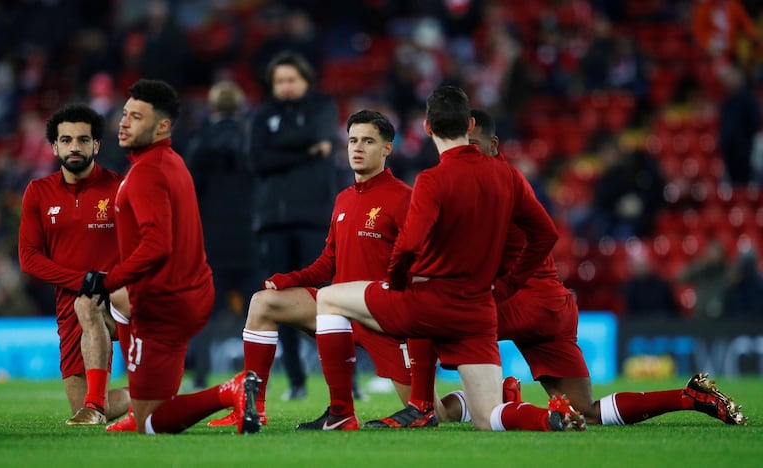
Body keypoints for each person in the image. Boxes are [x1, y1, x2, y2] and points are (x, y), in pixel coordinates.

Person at [432, 109, 747, 427]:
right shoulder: (509, 180)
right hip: (551, 305)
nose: (465, 152)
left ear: (494, 144)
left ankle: (428, 408)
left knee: (420, 320)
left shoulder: (485, 184)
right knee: (587, 411)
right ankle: (688, 396)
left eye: (472, 143)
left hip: (516, 301)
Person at [305, 86, 581, 432]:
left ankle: (343, 411)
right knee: (488, 417)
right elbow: (546, 235)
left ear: (427, 128)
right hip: (479, 310)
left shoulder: (432, 180)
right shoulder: (507, 175)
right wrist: (508, 284)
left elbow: (408, 247)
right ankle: (548, 417)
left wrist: (397, 283)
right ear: (470, 125)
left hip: (430, 306)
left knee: (330, 298)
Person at [208, 109, 414, 429]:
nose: (358, 148)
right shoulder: (344, 198)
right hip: (336, 312)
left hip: (380, 316)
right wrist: (289, 279)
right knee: (263, 302)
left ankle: (475, 399)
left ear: (387, 148)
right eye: (353, 140)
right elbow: (328, 263)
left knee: (432, 412)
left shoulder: (404, 198)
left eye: (368, 141)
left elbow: (416, 263)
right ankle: (252, 407)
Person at [76, 78, 260, 435]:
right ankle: (145, 398)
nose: (124, 122)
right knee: (115, 303)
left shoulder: (148, 173)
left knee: (150, 424)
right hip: (189, 292)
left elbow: (156, 245)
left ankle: (229, 390)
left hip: (163, 306)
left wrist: (108, 279)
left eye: (136, 117)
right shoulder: (169, 161)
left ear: (162, 126)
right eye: (125, 114)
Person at [18, 103, 130, 425]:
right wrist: (83, 280)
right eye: (66, 140)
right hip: (69, 303)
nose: (75, 147)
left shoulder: (120, 188)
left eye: (83, 139)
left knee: (90, 306)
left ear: (97, 144)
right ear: (54, 146)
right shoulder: (38, 192)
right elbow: (29, 259)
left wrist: (110, 281)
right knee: (86, 407)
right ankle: (148, 397)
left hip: (119, 297)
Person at [248, 50, 339, 401]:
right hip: (273, 222)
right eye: (279, 81)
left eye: (291, 80)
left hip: (314, 219)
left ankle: (346, 375)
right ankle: (297, 380)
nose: (285, 87)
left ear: (305, 81)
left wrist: (279, 151)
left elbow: (318, 136)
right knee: (277, 299)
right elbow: (256, 159)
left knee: (326, 299)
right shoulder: (263, 114)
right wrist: (306, 150)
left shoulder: (321, 106)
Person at [183, 80, 258, 390]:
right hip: (249, 240)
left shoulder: (199, 144)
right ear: (240, 108)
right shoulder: (251, 142)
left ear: (212, 108)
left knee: (205, 315)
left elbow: (188, 193)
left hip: (211, 241)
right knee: (259, 314)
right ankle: (256, 378)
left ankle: (199, 375)